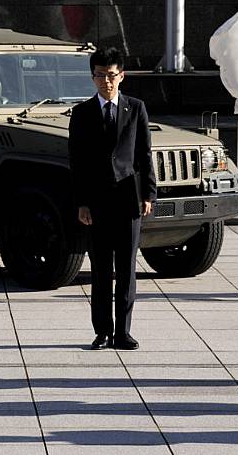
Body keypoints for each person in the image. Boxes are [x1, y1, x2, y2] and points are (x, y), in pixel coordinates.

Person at [68, 47, 156, 351]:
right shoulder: (81, 114)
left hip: (129, 199)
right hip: (96, 202)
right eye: (100, 75)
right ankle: (103, 331)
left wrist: (149, 193)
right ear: (92, 77)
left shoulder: (136, 108)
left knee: (127, 269)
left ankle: (124, 332)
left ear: (122, 76)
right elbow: (76, 162)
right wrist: (81, 202)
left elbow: (144, 154)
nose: (107, 81)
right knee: (102, 269)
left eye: (112, 75)